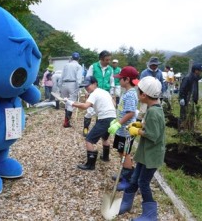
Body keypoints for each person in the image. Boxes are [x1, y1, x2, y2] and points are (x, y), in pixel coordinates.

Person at [118, 76, 165, 221]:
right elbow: (150, 126)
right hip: (146, 154)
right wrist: (139, 125)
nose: (138, 94)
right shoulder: (154, 107)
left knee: (143, 183)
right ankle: (126, 203)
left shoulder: (153, 112)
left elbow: (154, 135)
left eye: (139, 91)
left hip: (152, 156)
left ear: (144, 95)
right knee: (134, 179)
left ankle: (151, 215)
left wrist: (136, 132)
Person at [64, 76, 116, 170]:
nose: (86, 88)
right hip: (112, 117)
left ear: (95, 83)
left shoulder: (94, 93)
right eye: (85, 86)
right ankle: (105, 157)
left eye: (88, 85)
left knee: (89, 140)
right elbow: (114, 103)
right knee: (105, 137)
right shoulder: (104, 92)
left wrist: (70, 102)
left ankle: (90, 165)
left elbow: (85, 106)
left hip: (104, 118)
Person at [107, 66, 139, 191]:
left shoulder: (130, 94)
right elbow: (124, 110)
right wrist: (116, 120)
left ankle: (128, 180)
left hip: (126, 131)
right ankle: (125, 173)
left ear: (127, 79)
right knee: (121, 152)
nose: (119, 80)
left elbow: (130, 113)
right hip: (122, 129)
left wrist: (119, 123)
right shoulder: (126, 92)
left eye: (120, 78)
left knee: (125, 154)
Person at [83, 50, 114, 140]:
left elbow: (111, 82)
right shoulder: (93, 67)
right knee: (90, 111)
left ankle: (98, 130)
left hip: (105, 93)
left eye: (109, 60)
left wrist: (112, 94)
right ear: (101, 59)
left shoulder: (110, 69)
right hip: (94, 92)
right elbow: (88, 79)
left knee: (101, 113)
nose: (108, 62)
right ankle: (85, 128)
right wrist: (87, 92)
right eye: (106, 60)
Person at [138, 57, 165, 121]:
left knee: (157, 109)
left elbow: (161, 83)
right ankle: (138, 123)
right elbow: (141, 84)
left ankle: (154, 121)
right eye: (153, 65)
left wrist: (161, 92)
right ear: (150, 65)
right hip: (145, 94)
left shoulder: (160, 73)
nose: (154, 66)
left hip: (155, 95)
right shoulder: (144, 73)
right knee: (143, 110)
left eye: (155, 65)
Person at [59, 52, 82, 127]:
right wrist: (79, 88)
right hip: (73, 84)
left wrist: (60, 86)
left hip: (64, 84)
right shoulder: (78, 66)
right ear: (78, 59)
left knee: (66, 102)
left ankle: (66, 120)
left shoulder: (66, 65)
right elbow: (78, 79)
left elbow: (61, 76)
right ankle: (66, 122)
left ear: (71, 58)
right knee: (71, 103)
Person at [178, 63, 202, 130]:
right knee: (183, 115)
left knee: (191, 114)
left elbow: (194, 90)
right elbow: (182, 89)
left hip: (191, 100)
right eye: (200, 70)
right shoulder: (188, 78)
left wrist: (195, 99)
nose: (201, 72)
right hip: (186, 99)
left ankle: (190, 128)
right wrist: (182, 98)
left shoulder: (195, 78)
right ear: (196, 71)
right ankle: (182, 129)